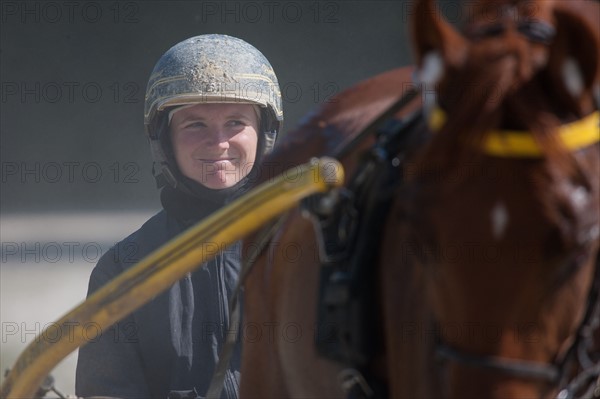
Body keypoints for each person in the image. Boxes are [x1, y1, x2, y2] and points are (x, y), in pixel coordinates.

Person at [75, 34, 283, 399]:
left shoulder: (310, 245)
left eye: (235, 122)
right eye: (195, 124)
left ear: (264, 134)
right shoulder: (124, 269)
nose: (218, 142)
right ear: (163, 139)